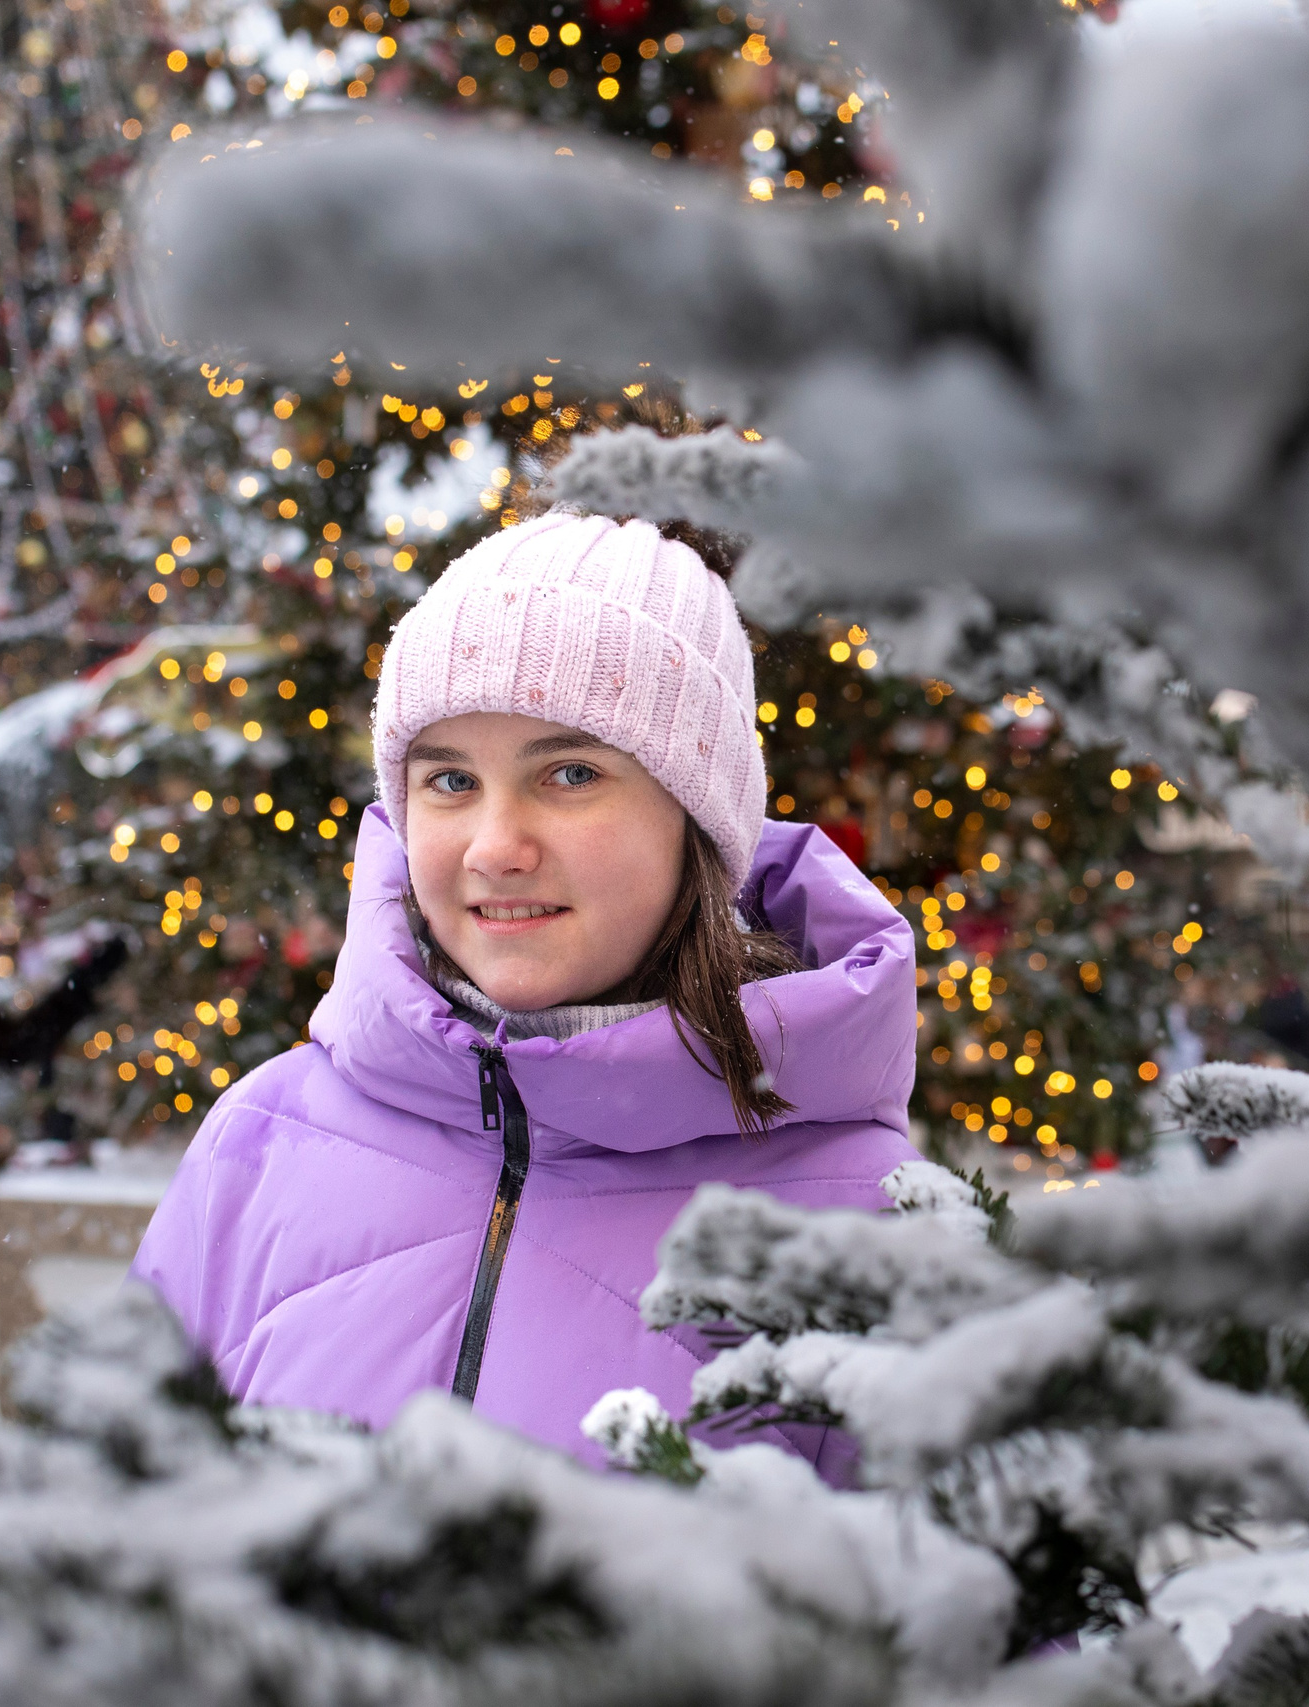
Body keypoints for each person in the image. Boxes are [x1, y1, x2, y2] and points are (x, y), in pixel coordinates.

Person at [132, 513, 922, 1472]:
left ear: (697, 819)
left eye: (571, 773)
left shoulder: (864, 1222)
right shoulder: (261, 1143)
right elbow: (114, 1541)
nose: (496, 848)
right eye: (451, 779)